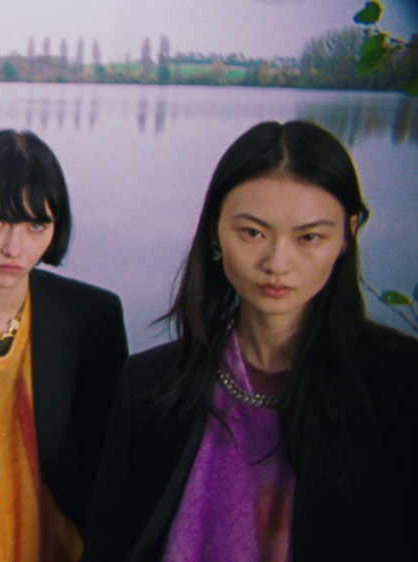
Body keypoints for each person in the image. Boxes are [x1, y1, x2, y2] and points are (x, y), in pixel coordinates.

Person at [83, 120, 418, 561]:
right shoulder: (149, 384)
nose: (277, 263)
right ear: (214, 230)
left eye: (309, 237)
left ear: (347, 234)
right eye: (253, 233)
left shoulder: (400, 382)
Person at [0, 129, 128, 561]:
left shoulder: (92, 318)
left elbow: (111, 465)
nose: (13, 247)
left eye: (35, 225)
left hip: (59, 543)